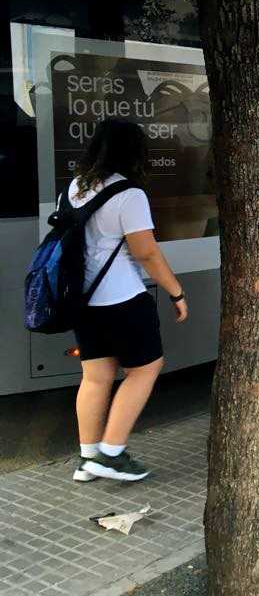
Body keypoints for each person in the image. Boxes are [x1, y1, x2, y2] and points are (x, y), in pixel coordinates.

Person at [70, 120, 187, 483]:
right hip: (123, 299)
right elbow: (145, 252)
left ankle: (88, 458)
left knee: (95, 377)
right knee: (145, 369)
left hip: (84, 299)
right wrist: (176, 292)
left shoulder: (76, 187)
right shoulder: (129, 194)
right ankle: (111, 453)